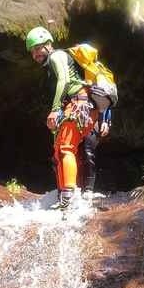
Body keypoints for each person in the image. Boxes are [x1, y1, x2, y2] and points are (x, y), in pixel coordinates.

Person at [26, 26, 93, 211]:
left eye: (37, 48)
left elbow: (64, 80)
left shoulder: (57, 56)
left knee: (65, 148)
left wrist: (55, 109)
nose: (35, 54)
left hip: (78, 102)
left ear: (48, 45)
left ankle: (69, 197)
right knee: (58, 152)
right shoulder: (50, 63)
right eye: (32, 51)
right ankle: (65, 193)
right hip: (72, 105)